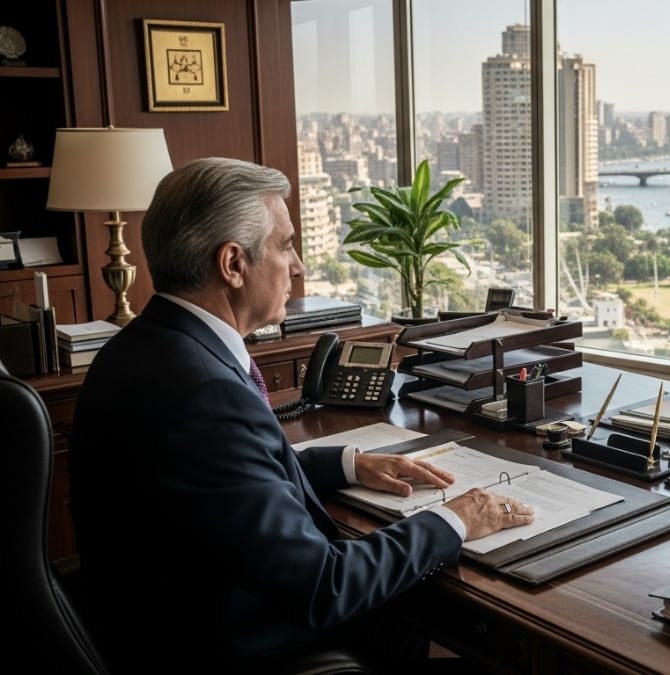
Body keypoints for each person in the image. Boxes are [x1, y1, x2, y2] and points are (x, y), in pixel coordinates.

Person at [69, 157, 535, 672]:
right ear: (232, 264)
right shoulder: (203, 394)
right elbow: (324, 586)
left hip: (162, 622)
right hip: (237, 647)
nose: (298, 266)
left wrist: (349, 464)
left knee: (407, 617)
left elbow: (223, 479)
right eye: (285, 245)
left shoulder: (142, 349)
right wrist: (455, 519)